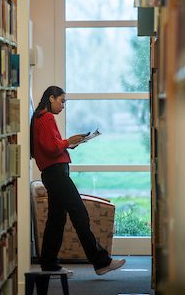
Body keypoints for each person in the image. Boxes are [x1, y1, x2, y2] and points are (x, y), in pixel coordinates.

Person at [30, 85, 126, 276]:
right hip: (56, 174)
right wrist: (68, 141)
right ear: (51, 98)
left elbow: (49, 147)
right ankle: (101, 261)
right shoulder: (46, 117)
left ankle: (49, 263)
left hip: (52, 173)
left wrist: (68, 144)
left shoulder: (39, 117)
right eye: (62, 101)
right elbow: (51, 148)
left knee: (56, 219)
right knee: (79, 213)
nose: (63, 105)